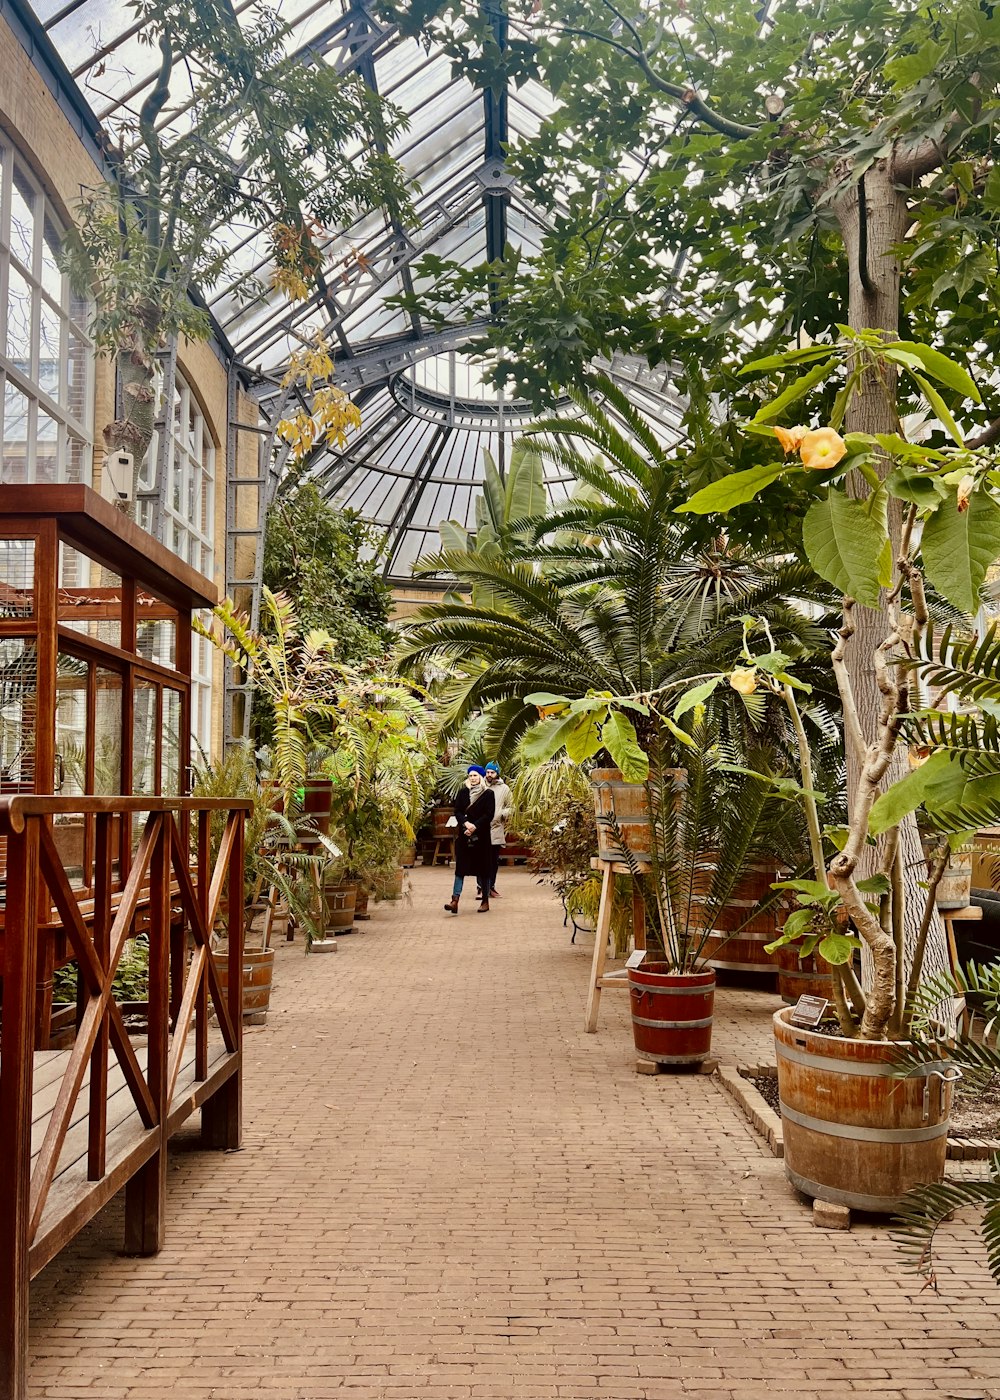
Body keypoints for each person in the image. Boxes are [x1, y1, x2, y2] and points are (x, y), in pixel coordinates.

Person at [444, 765, 495, 914]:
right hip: (465, 836)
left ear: (481, 777)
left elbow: (489, 814)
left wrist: (475, 826)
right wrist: (465, 824)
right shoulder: (463, 793)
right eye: (470, 776)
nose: (473, 778)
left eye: (475, 775)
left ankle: (485, 900)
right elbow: (458, 811)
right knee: (460, 869)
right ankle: (455, 900)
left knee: (483, 869)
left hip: (481, 837)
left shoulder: (488, 794)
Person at [481, 761, 513, 901]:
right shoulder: (479, 786)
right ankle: (481, 888)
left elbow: (512, 806)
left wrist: (501, 813)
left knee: (493, 861)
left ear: (497, 773)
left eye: (492, 772)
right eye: (487, 772)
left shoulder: (504, 789)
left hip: (496, 828)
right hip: (481, 828)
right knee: (480, 860)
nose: (489, 775)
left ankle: (491, 887)